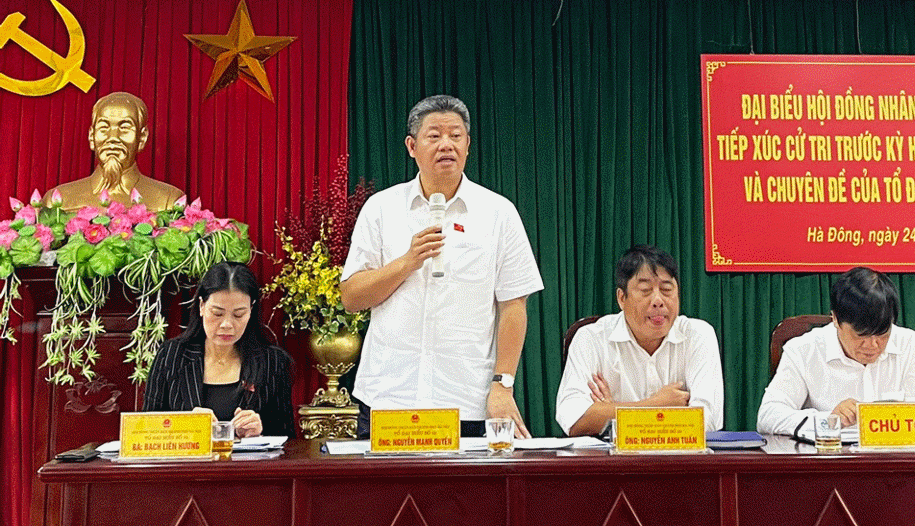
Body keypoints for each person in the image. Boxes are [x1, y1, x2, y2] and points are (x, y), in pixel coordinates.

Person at [341, 95, 543, 439]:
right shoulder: (381, 208)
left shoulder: (498, 212)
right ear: (412, 146)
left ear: (468, 145)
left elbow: (513, 305)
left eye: (455, 136)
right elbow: (351, 297)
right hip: (388, 396)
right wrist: (407, 262)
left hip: (467, 398)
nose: (446, 145)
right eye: (434, 136)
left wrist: (503, 384)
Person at [555, 245, 724, 436]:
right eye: (645, 290)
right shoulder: (591, 338)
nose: (658, 300)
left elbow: (706, 421)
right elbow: (574, 419)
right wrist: (654, 405)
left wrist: (613, 413)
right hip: (610, 456)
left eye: (666, 289)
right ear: (622, 298)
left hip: (680, 455)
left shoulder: (698, 335)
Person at [757, 267, 915, 435]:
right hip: (827, 456)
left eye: (882, 334)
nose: (873, 345)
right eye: (861, 335)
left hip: (892, 456)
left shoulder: (909, 344)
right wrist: (829, 419)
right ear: (835, 319)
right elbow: (768, 417)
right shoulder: (803, 350)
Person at [143, 261, 295, 437]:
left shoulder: (272, 362)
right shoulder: (171, 355)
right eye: (217, 313)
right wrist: (185, 426)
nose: (227, 324)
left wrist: (260, 432)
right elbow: (145, 430)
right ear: (201, 306)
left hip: (250, 456)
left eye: (238, 314)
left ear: (251, 310)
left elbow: (288, 439)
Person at [43, 91, 184, 211]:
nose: (113, 138)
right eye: (104, 128)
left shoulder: (168, 201)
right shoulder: (58, 200)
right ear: (91, 136)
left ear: (142, 138)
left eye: (125, 128)